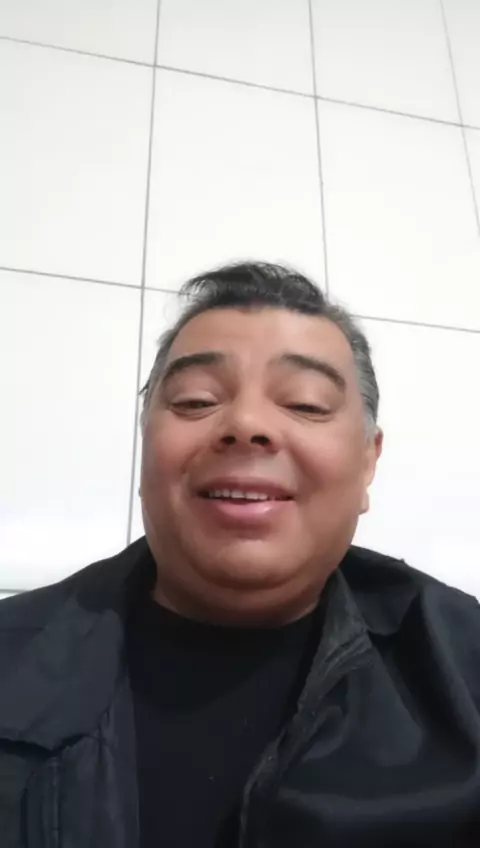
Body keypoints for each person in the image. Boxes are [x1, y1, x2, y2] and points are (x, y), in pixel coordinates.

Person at [0, 262, 479, 848]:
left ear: (367, 462)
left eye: (305, 404)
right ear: (147, 447)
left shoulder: (463, 668)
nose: (247, 424)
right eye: (196, 400)